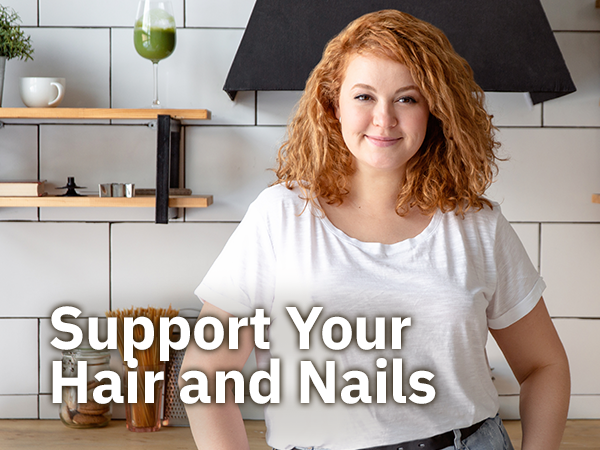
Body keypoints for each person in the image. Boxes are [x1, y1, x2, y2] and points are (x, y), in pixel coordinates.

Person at [180, 9, 570, 450]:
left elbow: (544, 366)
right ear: (333, 105)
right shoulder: (280, 217)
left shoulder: (477, 225)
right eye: (364, 96)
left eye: (407, 98)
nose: (384, 120)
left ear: (433, 110)